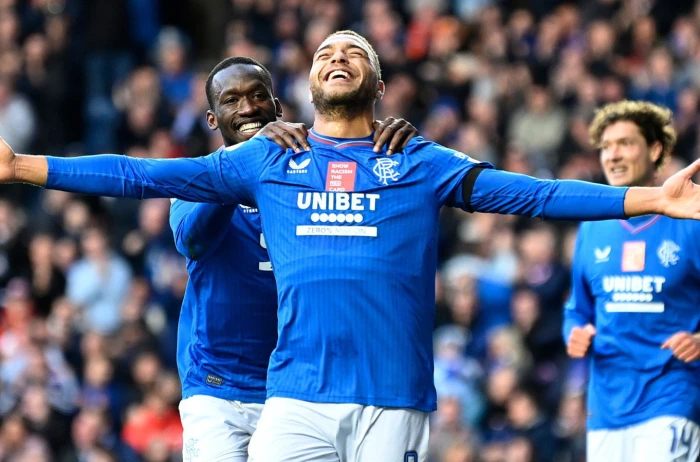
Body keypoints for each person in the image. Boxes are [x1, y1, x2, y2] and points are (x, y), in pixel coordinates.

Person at [3, 31, 700, 461]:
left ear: (379, 85)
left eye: (354, 51)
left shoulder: (418, 160)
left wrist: (652, 199)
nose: (337, 56)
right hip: (295, 396)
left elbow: (535, 195)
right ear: (308, 88)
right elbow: (140, 175)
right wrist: (24, 166)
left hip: (390, 395)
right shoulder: (268, 160)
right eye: (325, 53)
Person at [170, 56, 418, 461]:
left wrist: (398, 146)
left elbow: (371, 197)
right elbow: (192, 241)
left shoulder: (312, 173)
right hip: (219, 391)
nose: (247, 108)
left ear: (277, 107)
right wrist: (243, 165)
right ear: (212, 120)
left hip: (300, 391)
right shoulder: (195, 176)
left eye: (257, 96)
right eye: (231, 100)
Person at [563, 100, 700, 462]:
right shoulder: (592, 226)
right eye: (606, 147)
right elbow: (577, 310)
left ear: (655, 150)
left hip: (672, 395)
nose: (613, 155)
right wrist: (574, 333)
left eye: (625, 143)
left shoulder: (691, 221)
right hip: (605, 406)